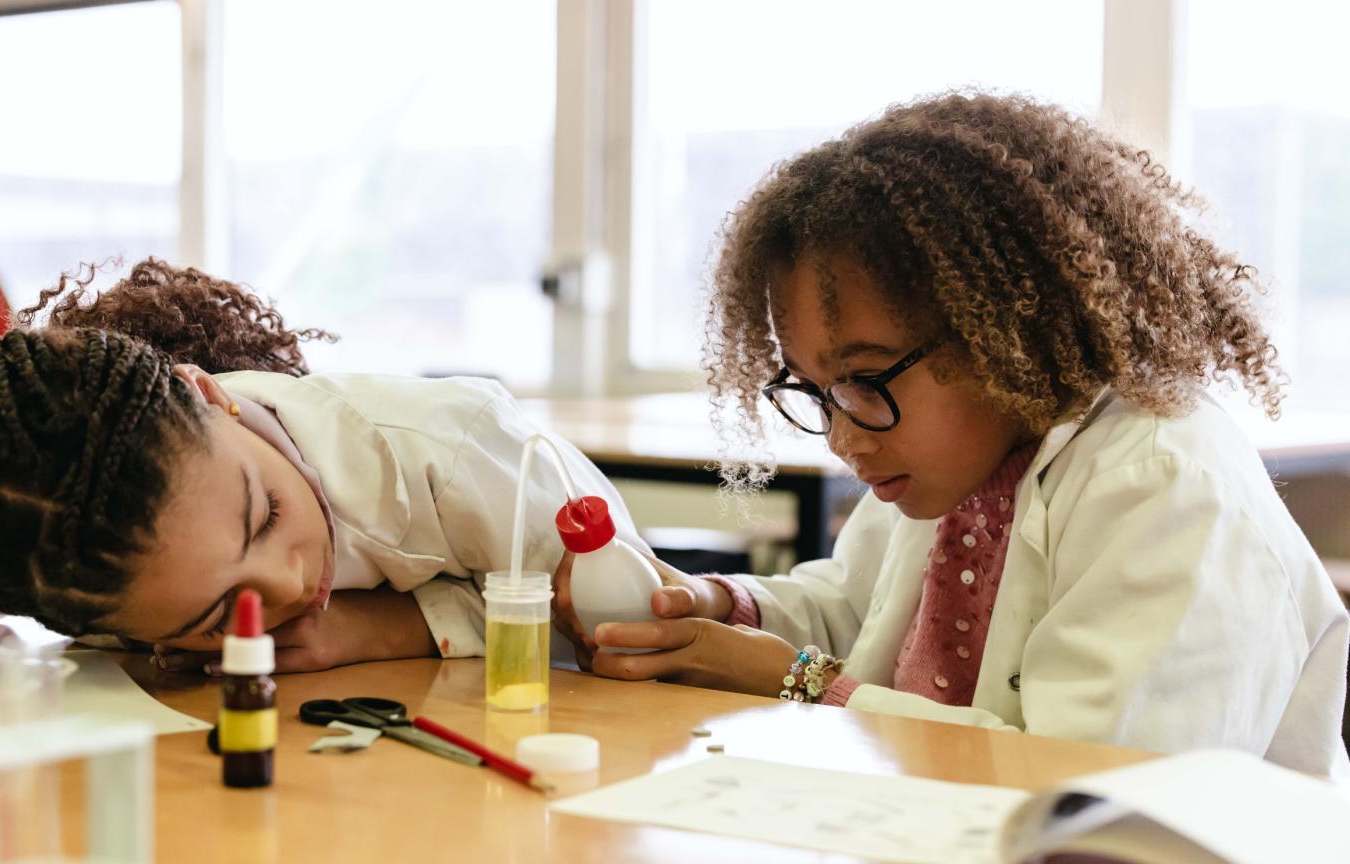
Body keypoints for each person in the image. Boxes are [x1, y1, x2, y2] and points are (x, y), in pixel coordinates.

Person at [555, 91, 1350, 780]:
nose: (839, 434)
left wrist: (797, 683)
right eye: (817, 390)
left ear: (1004, 329)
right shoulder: (960, 463)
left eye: (866, 379)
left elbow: (1082, 786)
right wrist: (714, 608)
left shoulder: (1164, 488)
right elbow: (856, 613)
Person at [0, 258, 644, 673]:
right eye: (215, 614)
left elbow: (629, 630)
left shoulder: (455, 449)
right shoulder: (44, 527)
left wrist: (388, 628)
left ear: (211, 396)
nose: (287, 585)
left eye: (267, 513)